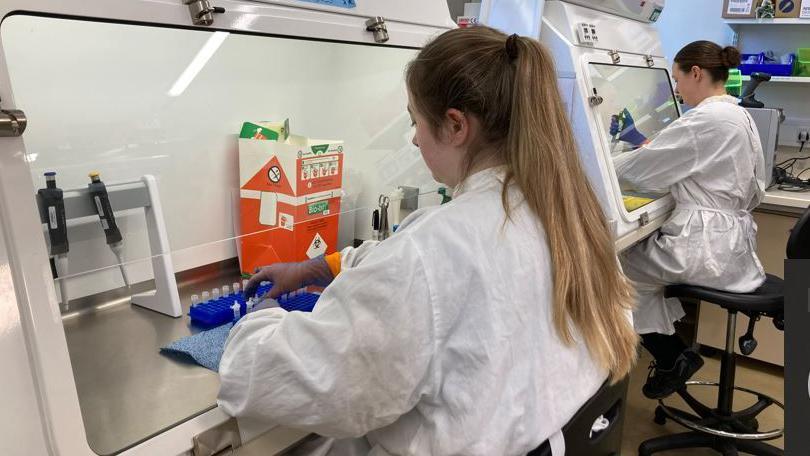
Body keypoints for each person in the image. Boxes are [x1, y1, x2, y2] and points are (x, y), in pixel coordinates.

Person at [217, 26, 638, 455]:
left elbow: (307, 381)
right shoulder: (565, 210)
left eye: (415, 119)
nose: (415, 137)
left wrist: (258, 320)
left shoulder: (436, 249)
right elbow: (414, 267)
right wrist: (319, 267)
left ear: (455, 125)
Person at [611, 40, 766, 399]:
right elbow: (686, 158)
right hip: (729, 242)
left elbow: (642, 169)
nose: (677, 92)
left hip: (706, 246)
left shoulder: (707, 118)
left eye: (678, 81)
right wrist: (637, 141)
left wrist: (597, 163)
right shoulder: (737, 113)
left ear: (696, 73)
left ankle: (671, 356)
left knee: (611, 272)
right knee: (636, 270)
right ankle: (672, 354)